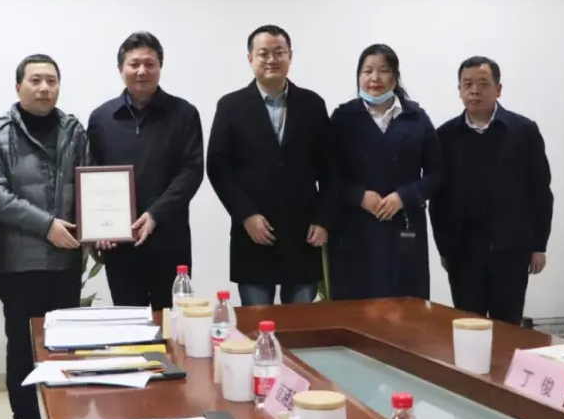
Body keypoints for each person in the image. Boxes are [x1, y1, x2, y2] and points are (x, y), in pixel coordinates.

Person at [0, 54, 88, 419]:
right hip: (21, 264)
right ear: (18, 86)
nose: (44, 88)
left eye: (51, 80)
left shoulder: (74, 130)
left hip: (66, 261)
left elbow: (91, 183)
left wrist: (98, 227)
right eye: (36, 80)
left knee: (64, 349)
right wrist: (47, 225)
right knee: (22, 349)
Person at [207, 25, 336, 306]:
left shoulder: (312, 104)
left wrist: (323, 220)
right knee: (257, 322)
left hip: (304, 232)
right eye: (263, 53)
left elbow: (330, 169)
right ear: (250, 58)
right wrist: (245, 215)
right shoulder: (231, 106)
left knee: (300, 325)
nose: (271, 60)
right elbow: (218, 168)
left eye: (279, 52)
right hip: (253, 233)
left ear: (290, 56)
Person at [431, 56, 553, 325]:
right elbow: (438, 199)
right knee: (468, 326)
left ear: (498, 89)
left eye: (483, 84)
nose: (474, 91)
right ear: (459, 90)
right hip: (463, 253)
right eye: (467, 84)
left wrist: (539, 246)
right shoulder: (444, 136)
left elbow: (541, 192)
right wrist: (444, 248)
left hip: (511, 250)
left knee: (508, 326)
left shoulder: (523, 131)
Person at [86, 32, 204, 310]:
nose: (142, 71)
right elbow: (92, 174)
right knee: (128, 324)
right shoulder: (102, 118)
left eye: (149, 64)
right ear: (121, 68)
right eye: (134, 64)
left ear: (160, 67)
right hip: (120, 245)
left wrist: (155, 214)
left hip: (169, 239)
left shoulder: (184, 113)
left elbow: (192, 171)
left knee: (172, 323)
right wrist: (100, 226)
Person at [327, 43, 442, 301]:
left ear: (395, 76)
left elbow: (436, 173)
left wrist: (404, 197)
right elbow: (328, 174)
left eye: (383, 71)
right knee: (356, 303)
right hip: (354, 226)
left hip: (404, 224)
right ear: (359, 76)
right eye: (367, 71)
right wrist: (359, 196)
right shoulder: (343, 118)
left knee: (405, 303)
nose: (375, 78)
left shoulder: (416, 117)